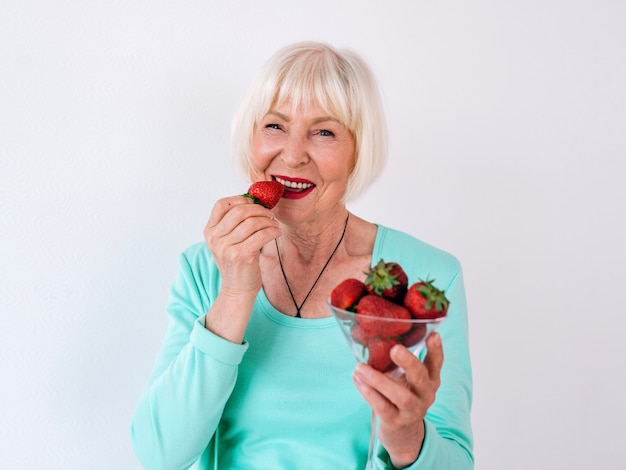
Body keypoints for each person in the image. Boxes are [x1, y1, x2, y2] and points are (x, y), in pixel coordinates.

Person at [130, 41, 473, 469]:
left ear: (357, 152)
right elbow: (160, 454)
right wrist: (236, 293)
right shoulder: (205, 268)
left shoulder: (428, 276)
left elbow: (456, 461)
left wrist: (409, 442)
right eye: (274, 126)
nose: (292, 155)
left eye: (324, 132)